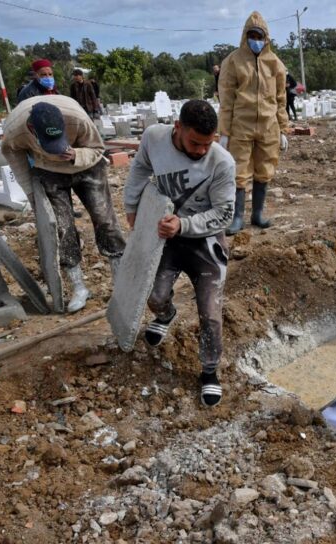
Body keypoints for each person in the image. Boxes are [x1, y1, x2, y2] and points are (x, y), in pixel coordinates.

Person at [124, 100, 236, 407]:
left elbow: (225, 213)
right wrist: (131, 206)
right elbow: (140, 168)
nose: (201, 150)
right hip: (167, 237)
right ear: (178, 128)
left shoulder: (222, 163)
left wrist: (184, 224)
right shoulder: (154, 138)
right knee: (154, 295)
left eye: (207, 143)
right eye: (194, 143)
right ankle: (167, 314)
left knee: (210, 313)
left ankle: (210, 372)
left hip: (204, 240)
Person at [1, 96, 126, 312]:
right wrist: (31, 193)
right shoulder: (15, 130)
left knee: (105, 220)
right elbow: (14, 154)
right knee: (62, 227)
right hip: (48, 170)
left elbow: (97, 148)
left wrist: (76, 153)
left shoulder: (77, 118)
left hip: (87, 165)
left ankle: (121, 281)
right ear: (32, 128)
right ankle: (79, 287)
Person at [218, 11, 289, 235]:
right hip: (241, 124)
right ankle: (237, 216)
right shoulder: (233, 61)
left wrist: (283, 129)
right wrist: (224, 132)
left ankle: (257, 214)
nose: (255, 40)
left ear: (266, 37)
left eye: (259, 36)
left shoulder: (274, 63)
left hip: (269, 125)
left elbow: (280, 98)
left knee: (265, 169)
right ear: (245, 35)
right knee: (239, 170)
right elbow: (226, 98)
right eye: (252, 35)